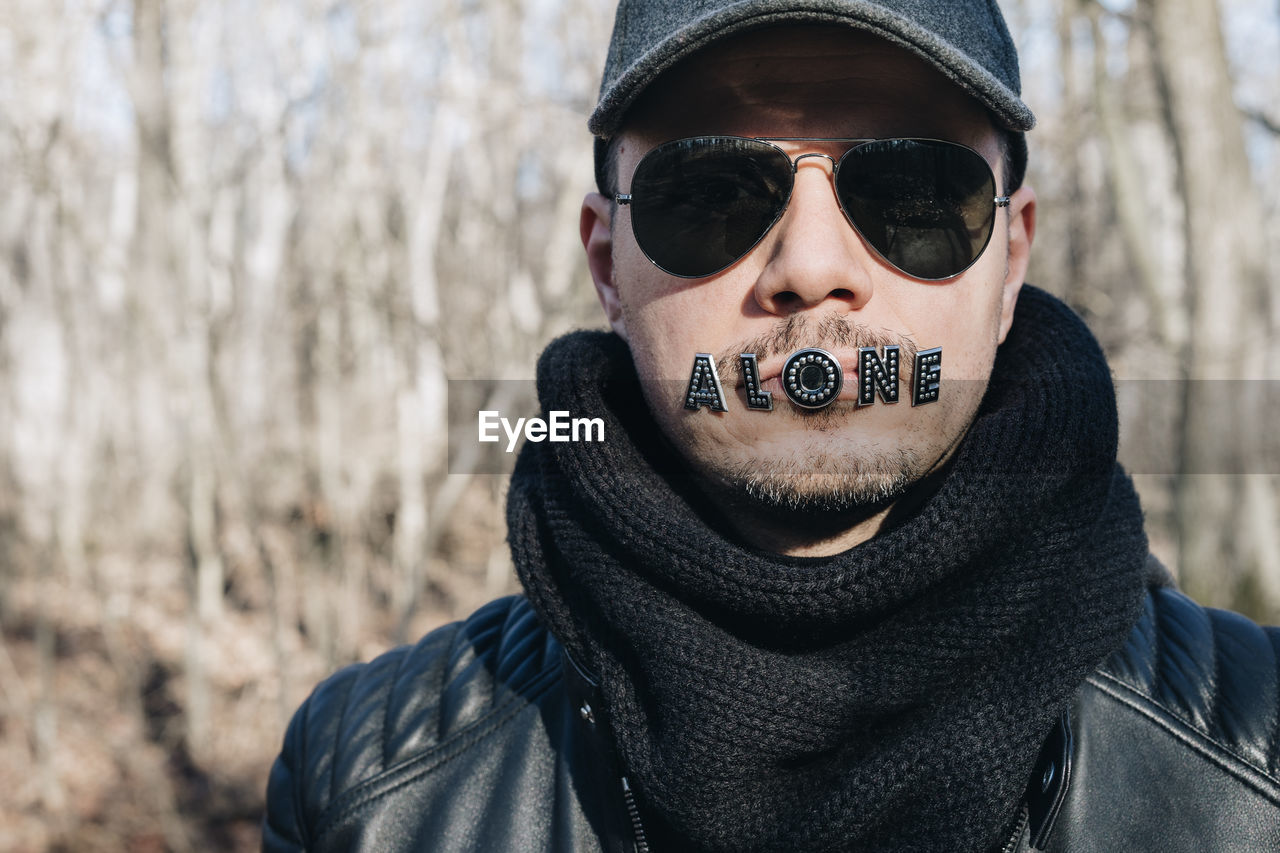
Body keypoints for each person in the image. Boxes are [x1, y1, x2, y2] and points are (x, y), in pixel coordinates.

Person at [262, 1, 1280, 851]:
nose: (807, 264)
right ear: (607, 263)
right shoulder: (366, 793)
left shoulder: (1256, 762)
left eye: (912, 191)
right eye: (709, 193)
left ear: (1008, 260)